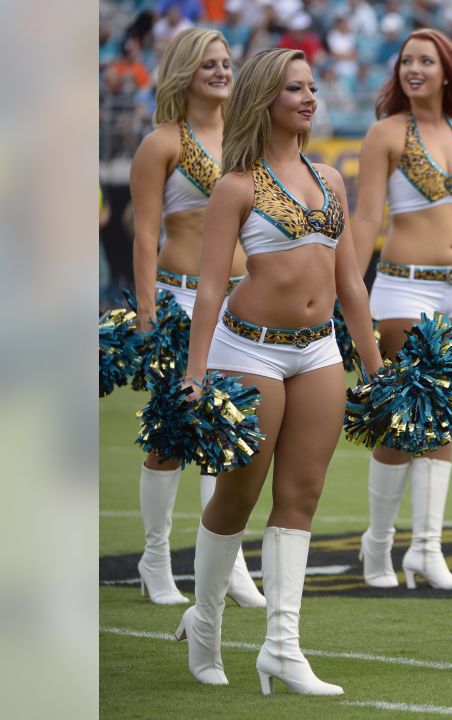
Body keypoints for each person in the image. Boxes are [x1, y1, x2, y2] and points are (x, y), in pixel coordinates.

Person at [177, 48, 382, 694]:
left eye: (312, 87)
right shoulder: (235, 186)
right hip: (251, 350)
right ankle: (205, 622)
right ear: (266, 99)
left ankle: (282, 648)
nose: (309, 97)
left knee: (301, 498)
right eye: (295, 88)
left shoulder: (331, 182)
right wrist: (196, 371)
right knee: (237, 495)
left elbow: (351, 281)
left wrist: (375, 368)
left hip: (318, 349)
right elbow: (211, 288)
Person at [128, 28, 264, 609]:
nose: (221, 72)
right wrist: (147, 314)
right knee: (171, 437)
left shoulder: (244, 142)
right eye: (209, 63)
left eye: (227, 63)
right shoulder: (162, 143)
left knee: (228, 433)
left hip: (238, 304)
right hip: (179, 300)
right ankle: (155, 559)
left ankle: (226, 561)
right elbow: (144, 234)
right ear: (186, 72)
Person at [350, 28, 452, 591]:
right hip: (405, 288)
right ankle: (379, 545)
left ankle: (425, 550)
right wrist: (349, 286)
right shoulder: (385, 133)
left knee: (444, 415)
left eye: (426, 60)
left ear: (447, 70)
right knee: (404, 419)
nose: (414, 69)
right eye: (407, 60)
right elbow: (365, 219)